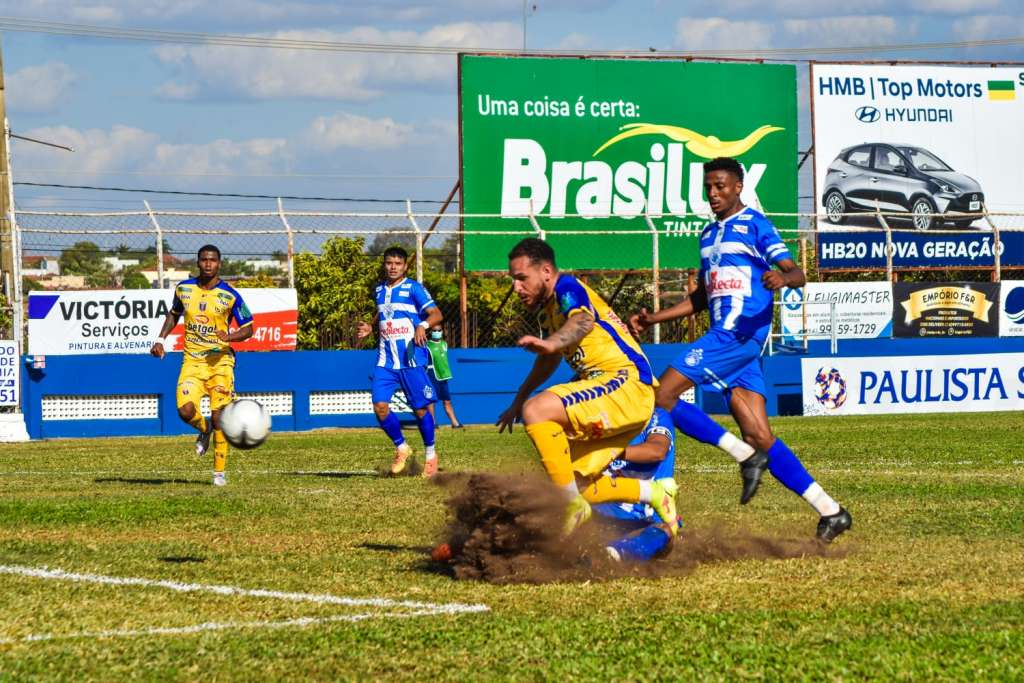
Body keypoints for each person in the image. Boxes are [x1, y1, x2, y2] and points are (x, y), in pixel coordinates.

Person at [630, 157, 852, 542]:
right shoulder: (707, 235)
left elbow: (796, 272)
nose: (713, 194)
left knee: (659, 396)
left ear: (738, 187)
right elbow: (701, 298)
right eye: (708, 188)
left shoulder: (755, 225)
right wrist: (655, 319)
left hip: (737, 336)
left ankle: (665, 500)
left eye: (720, 186)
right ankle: (831, 511)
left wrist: (782, 277)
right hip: (729, 339)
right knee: (759, 435)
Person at [497, 238, 677, 537]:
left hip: (624, 382)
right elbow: (549, 359)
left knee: (539, 411)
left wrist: (550, 342)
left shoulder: (567, 287)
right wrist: (519, 398)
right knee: (574, 479)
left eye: (521, 278)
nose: (516, 287)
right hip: (614, 390)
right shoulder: (547, 311)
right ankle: (655, 494)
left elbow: (582, 320)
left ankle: (572, 506)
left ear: (545, 271)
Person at [151, 245, 253, 487]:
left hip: (221, 362)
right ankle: (204, 430)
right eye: (204, 260)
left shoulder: (230, 295)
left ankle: (219, 474)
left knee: (220, 417)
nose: (208, 264)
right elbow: (174, 314)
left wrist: (230, 337)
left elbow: (249, 327)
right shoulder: (183, 289)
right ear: (198, 262)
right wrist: (159, 339)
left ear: (220, 264)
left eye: (213, 260)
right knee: (185, 411)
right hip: (193, 362)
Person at [356, 247, 443, 478]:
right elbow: (384, 314)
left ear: (405, 266)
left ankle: (431, 455)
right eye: (389, 263)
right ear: (384, 265)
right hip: (386, 361)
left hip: (411, 360)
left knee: (421, 410)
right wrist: (370, 328)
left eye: (398, 263)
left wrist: (422, 326)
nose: (393, 267)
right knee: (380, 407)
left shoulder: (414, 288)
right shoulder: (379, 289)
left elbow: (436, 314)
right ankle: (402, 447)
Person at [594, 407, 682, 563]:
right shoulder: (594, 416)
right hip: (600, 507)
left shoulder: (654, 415)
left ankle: (615, 555)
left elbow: (657, 451)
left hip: (642, 516)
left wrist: (610, 453)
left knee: (664, 532)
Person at [425, 325, 464, 429]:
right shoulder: (427, 345)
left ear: (442, 331)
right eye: (434, 330)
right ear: (431, 332)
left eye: (439, 330)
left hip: (443, 376)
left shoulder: (444, 344)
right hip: (432, 374)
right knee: (431, 400)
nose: (437, 332)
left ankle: (455, 423)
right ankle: (432, 423)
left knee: (447, 400)